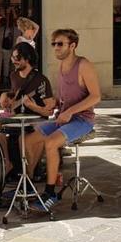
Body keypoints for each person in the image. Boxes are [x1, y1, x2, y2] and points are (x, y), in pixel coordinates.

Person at [24, 29, 101, 211]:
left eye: (60, 44)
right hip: (65, 118)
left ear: (72, 45)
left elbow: (96, 96)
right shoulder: (61, 67)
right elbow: (65, 97)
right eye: (54, 44)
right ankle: (30, 182)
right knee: (27, 139)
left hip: (82, 120)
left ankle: (50, 193)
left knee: (51, 143)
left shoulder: (84, 65)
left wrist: (70, 111)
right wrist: (55, 103)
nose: (56, 48)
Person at [0, 42, 55, 181]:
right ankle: (8, 164)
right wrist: (5, 97)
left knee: (23, 139)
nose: (13, 60)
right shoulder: (14, 76)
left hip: (36, 118)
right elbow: (14, 95)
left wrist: (33, 106)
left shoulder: (41, 81)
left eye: (17, 58)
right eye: (13, 57)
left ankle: (29, 174)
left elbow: (49, 112)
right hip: (18, 117)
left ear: (27, 59)